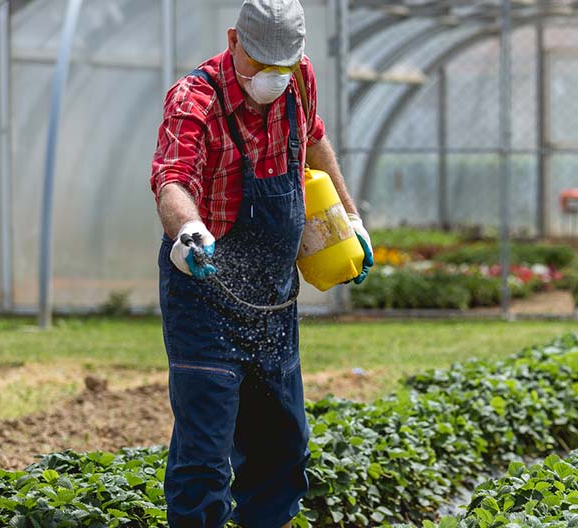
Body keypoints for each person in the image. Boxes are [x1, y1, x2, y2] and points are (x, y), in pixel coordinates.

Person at [148, 1, 371, 526]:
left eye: (284, 64)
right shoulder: (194, 99)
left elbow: (314, 141)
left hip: (272, 298)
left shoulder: (299, 78)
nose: (273, 77)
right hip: (203, 293)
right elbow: (172, 178)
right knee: (205, 454)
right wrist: (188, 231)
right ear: (233, 41)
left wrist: (350, 218)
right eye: (260, 64)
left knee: (282, 445)